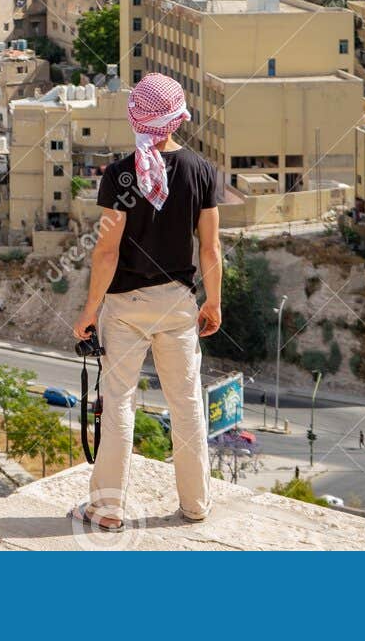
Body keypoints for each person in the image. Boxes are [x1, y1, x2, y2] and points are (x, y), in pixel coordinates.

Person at [72, 73, 225, 532]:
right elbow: (211, 249)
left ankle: (108, 509)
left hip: (124, 305)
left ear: (137, 117)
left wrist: (89, 311)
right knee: (186, 404)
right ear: (178, 116)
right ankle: (196, 504)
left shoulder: (121, 173)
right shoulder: (201, 171)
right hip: (177, 304)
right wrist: (213, 302)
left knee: (118, 402)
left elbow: (106, 251)